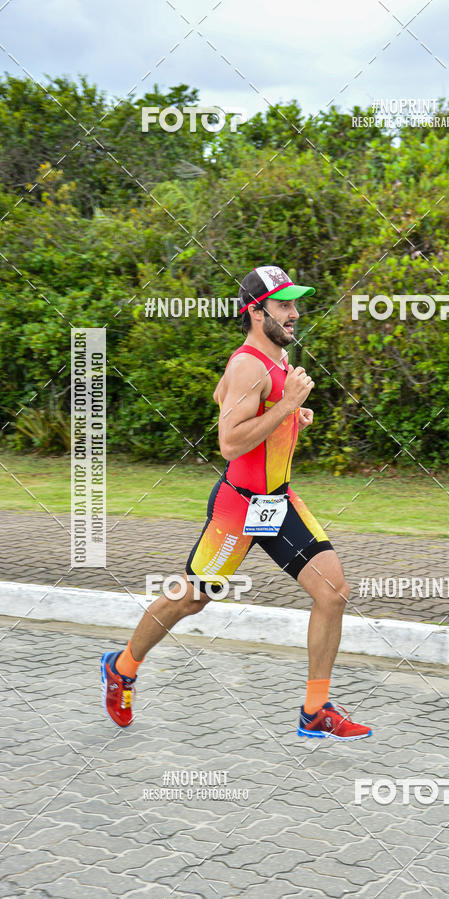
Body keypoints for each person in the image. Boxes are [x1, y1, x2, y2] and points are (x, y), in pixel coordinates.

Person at [101, 265, 372, 741]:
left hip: (279, 500)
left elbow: (222, 398)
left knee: (333, 591)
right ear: (254, 311)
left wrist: (287, 417)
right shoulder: (248, 362)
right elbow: (228, 442)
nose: (294, 313)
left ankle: (315, 710)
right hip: (240, 506)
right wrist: (285, 407)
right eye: (283, 304)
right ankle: (121, 667)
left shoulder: (277, 359)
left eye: (294, 303)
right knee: (192, 599)